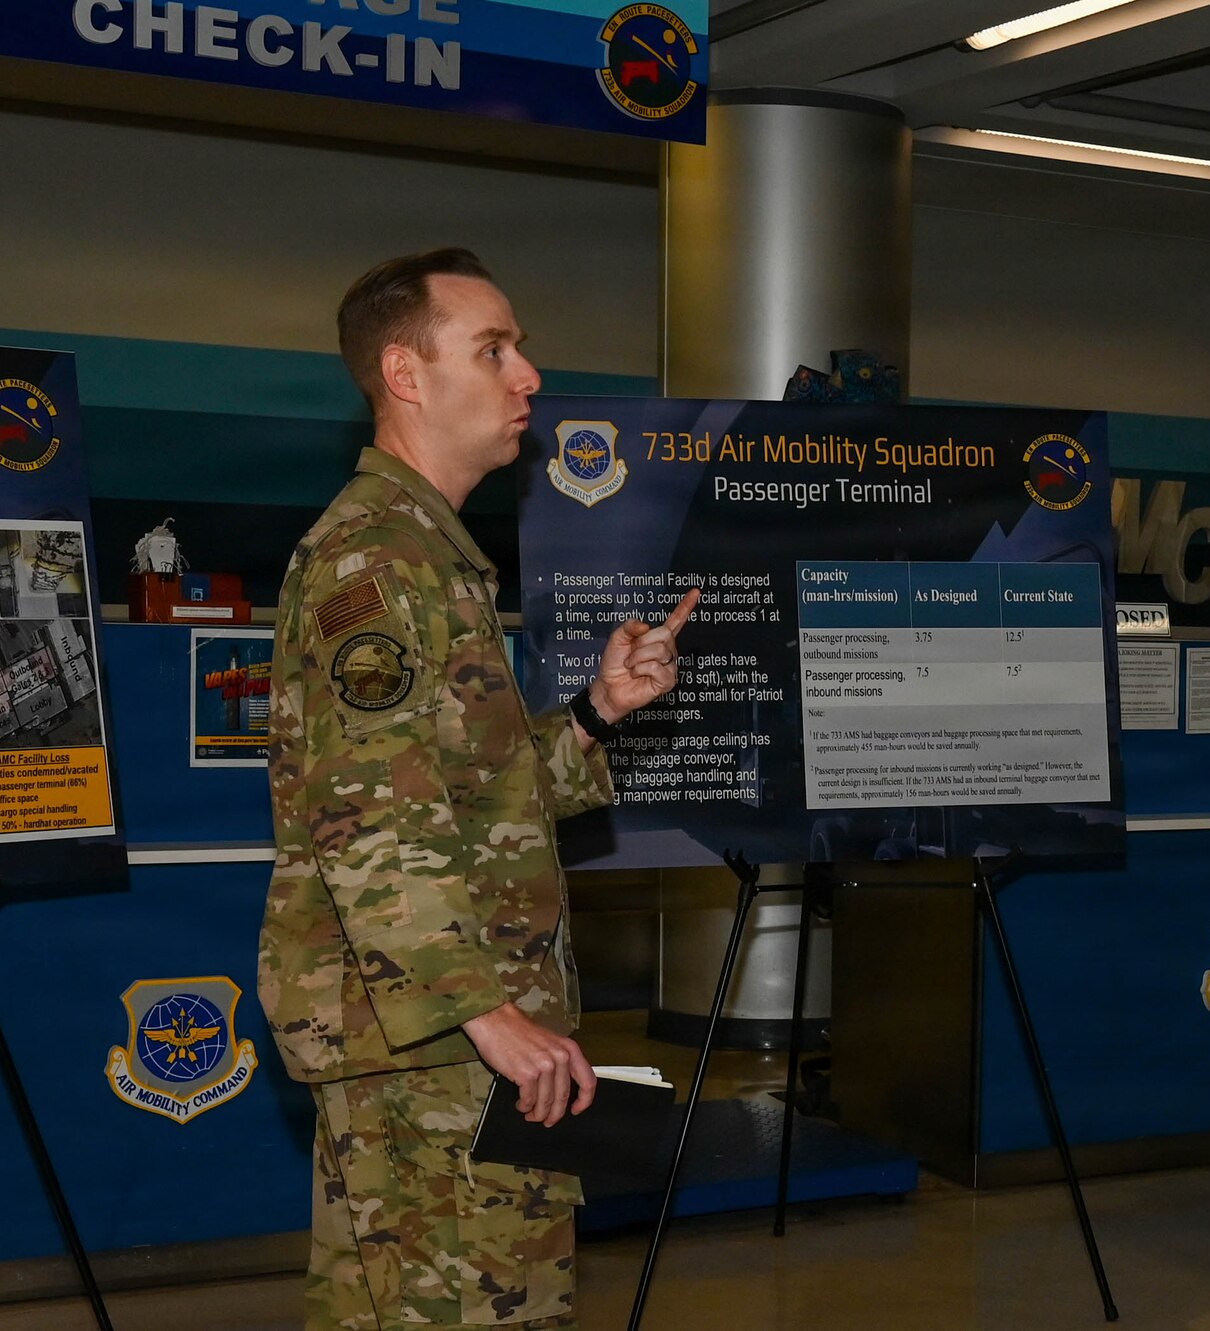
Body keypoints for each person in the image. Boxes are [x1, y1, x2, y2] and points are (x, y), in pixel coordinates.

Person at [257, 247, 695, 1330]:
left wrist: (597, 712)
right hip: (433, 1037)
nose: (528, 375)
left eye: (520, 349)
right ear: (405, 374)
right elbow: (369, 821)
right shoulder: (378, 564)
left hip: (431, 1027)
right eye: (493, 349)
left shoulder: (427, 555)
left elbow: (466, 798)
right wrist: (485, 1012)